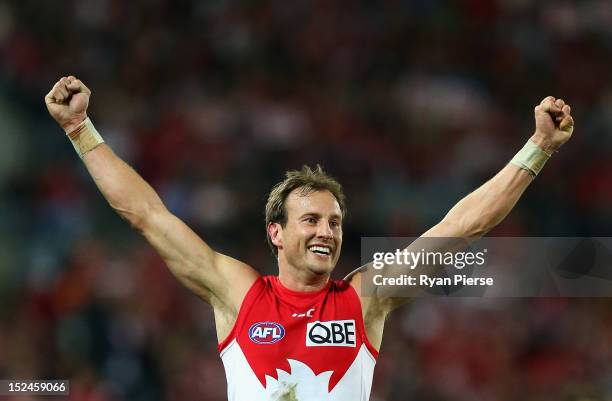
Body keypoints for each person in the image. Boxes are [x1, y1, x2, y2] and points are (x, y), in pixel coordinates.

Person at [45, 76, 574, 400]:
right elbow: (146, 215)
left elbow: (461, 227)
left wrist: (538, 148)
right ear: (275, 232)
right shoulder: (238, 291)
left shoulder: (366, 298)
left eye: (336, 222)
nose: (327, 231)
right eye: (312, 220)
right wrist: (80, 131)